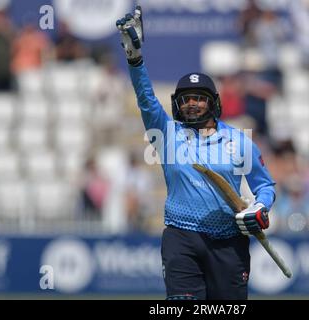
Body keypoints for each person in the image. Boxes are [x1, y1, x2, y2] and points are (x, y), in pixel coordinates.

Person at [116, 6, 276, 300]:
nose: (192, 104)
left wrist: (259, 209)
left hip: (229, 242)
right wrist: (135, 60)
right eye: (187, 99)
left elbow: (265, 186)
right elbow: (146, 100)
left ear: (212, 103)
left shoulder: (240, 141)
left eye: (199, 99)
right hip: (181, 237)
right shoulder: (166, 134)